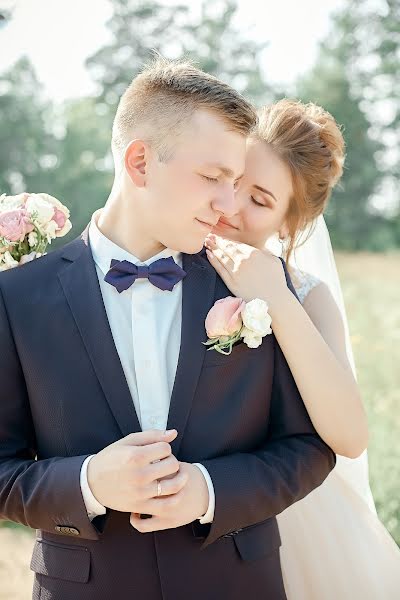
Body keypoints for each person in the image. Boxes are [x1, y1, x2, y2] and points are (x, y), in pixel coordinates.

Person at [0, 60, 335, 600]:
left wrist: (208, 491)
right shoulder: (16, 298)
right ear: (139, 162)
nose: (229, 205)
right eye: (213, 178)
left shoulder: (255, 287)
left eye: (236, 182)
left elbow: (309, 448)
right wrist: (87, 483)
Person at [205, 99, 400, 599]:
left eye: (260, 199)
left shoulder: (307, 295)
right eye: (231, 178)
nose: (231, 204)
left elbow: (350, 436)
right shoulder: (163, 261)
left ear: (288, 226)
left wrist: (274, 296)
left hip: (286, 522)